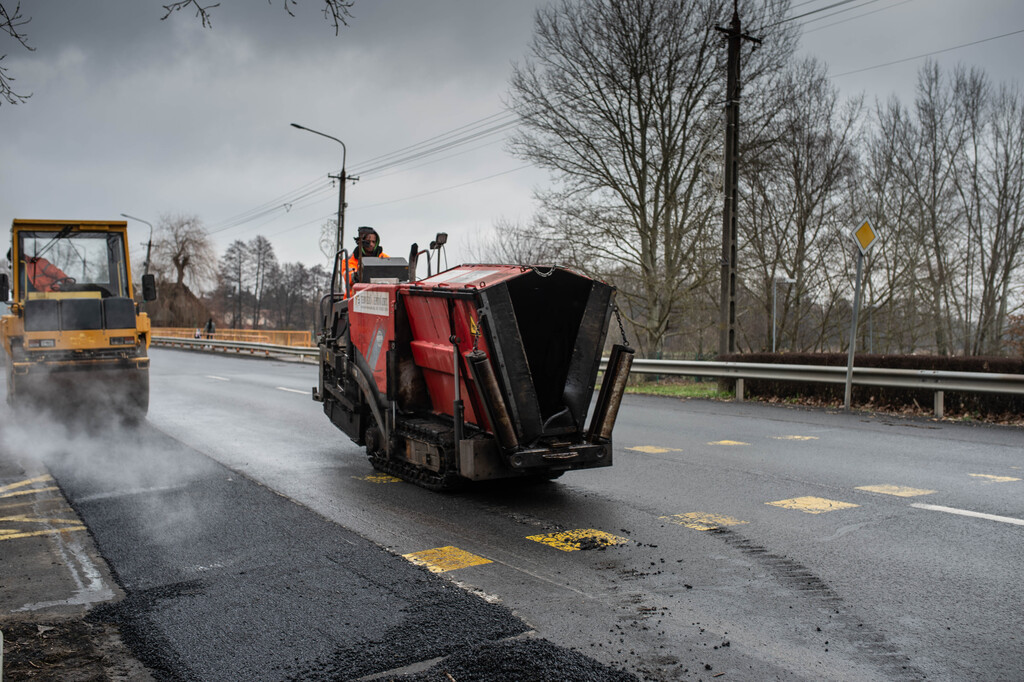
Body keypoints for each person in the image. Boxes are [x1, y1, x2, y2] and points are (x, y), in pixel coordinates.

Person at [344, 226, 388, 296]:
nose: (371, 244)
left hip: (378, 296)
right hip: (354, 298)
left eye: (373, 242)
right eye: (368, 241)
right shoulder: (350, 260)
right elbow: (348, 277)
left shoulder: (384, 258)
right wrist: (356, 275)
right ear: (362, 242)